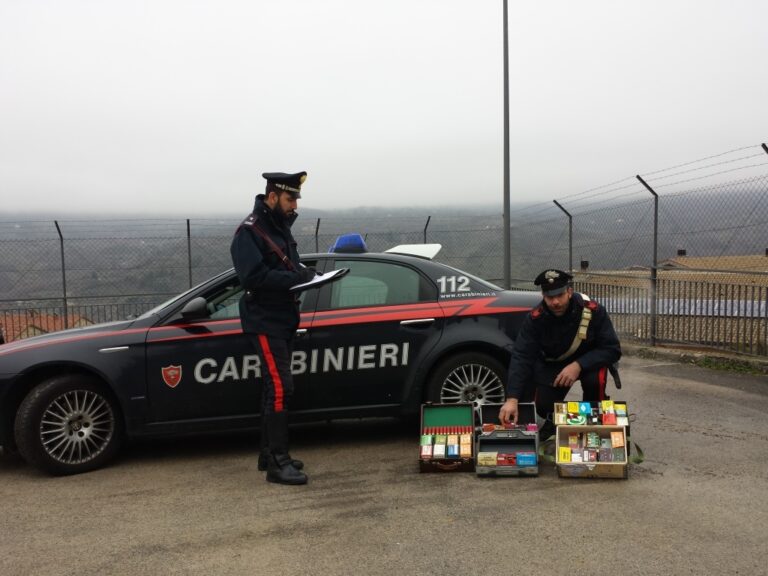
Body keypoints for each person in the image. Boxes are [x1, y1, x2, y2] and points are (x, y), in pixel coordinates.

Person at [230, 171, 316, 485]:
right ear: (272, 196)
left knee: (272, 387)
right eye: (290, 198)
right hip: (264, 320)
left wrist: (307, 273)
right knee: (281, 387)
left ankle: (270, 455)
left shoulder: (280, 229)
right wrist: (298, 279)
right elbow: (253, 278)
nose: (295, 204)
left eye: (296, 198)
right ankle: (279, 465)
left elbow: (288, 267)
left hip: (282, 319)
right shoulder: (249, 232)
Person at [498, 269, 621, 438]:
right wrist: (512, 399)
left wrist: (578, 365)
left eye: (560, 295)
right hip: (554, 363)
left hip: (588, 362)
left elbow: (612, 349)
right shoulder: (535, 319)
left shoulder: (593, 311)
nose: (555, 302)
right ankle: (557, 421)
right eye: (550, 297)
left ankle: (594, 422)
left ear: (569, 292)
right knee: (543, 405)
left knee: (595, 383)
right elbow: (522, 357)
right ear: (543, 295)